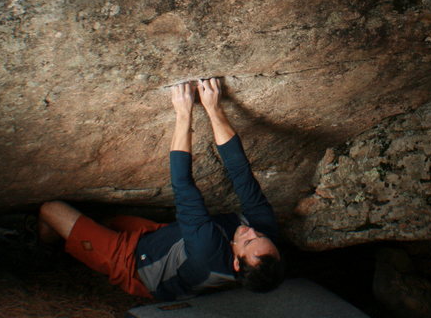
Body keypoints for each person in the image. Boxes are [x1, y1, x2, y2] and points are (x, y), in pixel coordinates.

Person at [38, 77, 284, 300]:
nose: (252, 231)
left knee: (52, 210)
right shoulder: (264, 234)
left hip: (134, 265)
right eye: (261, 236)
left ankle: (44, 249)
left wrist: (183, 115)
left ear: (236, 264)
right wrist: (214, 108)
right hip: (162, 237)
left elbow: (183, 184)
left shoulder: (206, 250)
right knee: (102, 219)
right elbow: (241, 174)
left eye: (250, 241)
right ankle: (71, 241)